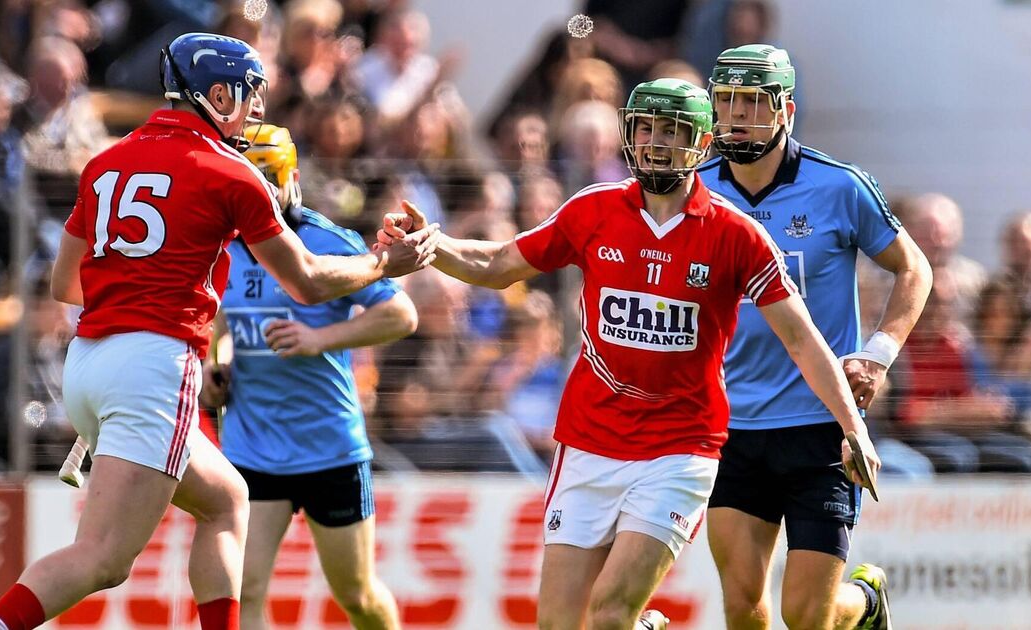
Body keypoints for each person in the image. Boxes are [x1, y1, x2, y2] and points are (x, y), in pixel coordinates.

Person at [0, 32, 437, 630]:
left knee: (226, 498)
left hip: (88, 362)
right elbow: (306, 281)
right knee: (103, 558)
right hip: (154, 368)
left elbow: (66, 284)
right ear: (216, 94)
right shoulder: (231, 172)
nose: (255, 109)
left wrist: (143, 291)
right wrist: (384, 264)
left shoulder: (106, 160)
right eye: (248, 94)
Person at [379, 78, 881, 630]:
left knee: (611, 611)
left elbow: (802, 339)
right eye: (644, 129)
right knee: (558, 625)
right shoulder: (593, 209)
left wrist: (852, 426)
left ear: (701, 142)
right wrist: (433, 244)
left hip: (679, 449)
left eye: (671, 131)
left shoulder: (737, 235)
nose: (654, 143)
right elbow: (499, 263)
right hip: (589, 440)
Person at [697, 44, 932, 630]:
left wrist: (878, 355)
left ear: (786, 111)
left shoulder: (839, 186)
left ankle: (866, 601)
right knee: (743, 608)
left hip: (821, 424)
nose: (738, 115)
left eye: (754, 101)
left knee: (807, 617)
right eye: (726, 101)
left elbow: (914, 268)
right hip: (729, 426)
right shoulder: (693, 192)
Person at [200, 123, 409, 629]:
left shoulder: (326, 241)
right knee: (245, 590)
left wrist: (319, 339)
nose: (257, 194)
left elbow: (401, 315)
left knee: (357, 595)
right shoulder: (224, 246)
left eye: (268, 180)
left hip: (328, 448)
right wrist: (216, 363)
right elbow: (221, 318)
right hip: (253, 446)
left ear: (292, 178)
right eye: (246, 180)